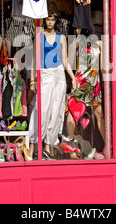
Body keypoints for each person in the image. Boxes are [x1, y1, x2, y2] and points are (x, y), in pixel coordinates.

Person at [28, 11, 77, 159]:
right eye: (47, 19)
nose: (49, 22)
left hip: (59, 75)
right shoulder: (39, 37)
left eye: (52, 20)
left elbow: (66, 60)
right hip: (44, 74)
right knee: (40, 109)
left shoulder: (61, 38)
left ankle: (48, 146)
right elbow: (35, 59)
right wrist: (32, 80)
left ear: (55, 22)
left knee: (55, 111)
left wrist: (73, 78)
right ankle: (32, 145)